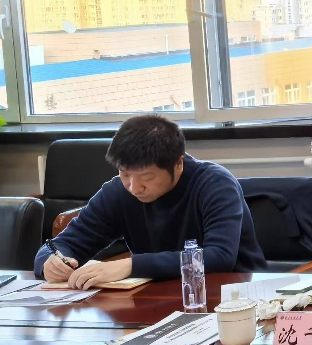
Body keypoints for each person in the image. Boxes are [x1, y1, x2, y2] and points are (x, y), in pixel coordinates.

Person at [34, 115, 266, 288]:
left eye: (147, 177)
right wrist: (50, 262)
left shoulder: (215, 184)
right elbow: (64, 243)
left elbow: (219, 256)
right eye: (125, 173)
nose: (134, 187)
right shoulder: (118, 191)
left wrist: (131, 265)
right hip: (158, 296)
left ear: (178, 164)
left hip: (233, 295)